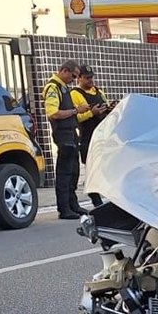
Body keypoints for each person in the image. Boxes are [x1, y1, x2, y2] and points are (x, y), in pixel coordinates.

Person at [44, 60, 89, 219]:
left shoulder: (63, 87)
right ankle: (64, 208)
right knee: (64, 174)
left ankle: (73, 204)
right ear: (64, 71)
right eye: (73, 75)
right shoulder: (53, 88)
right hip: (62, 134)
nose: (74, 79)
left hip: (71, 133)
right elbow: (53, 113)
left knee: (73, 171)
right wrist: (76, 110)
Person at [70, 64, 111, 207]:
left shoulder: (99, 91)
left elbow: (105, 107)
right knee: (92, 170)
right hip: (87, 138)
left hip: (103, 137)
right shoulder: (75, 94)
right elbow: (75, 118)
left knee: (107, 168)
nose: (90, 80)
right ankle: (96, 201)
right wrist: (91, 113)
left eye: (91, 77)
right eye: (87, 78)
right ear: (79, 79)